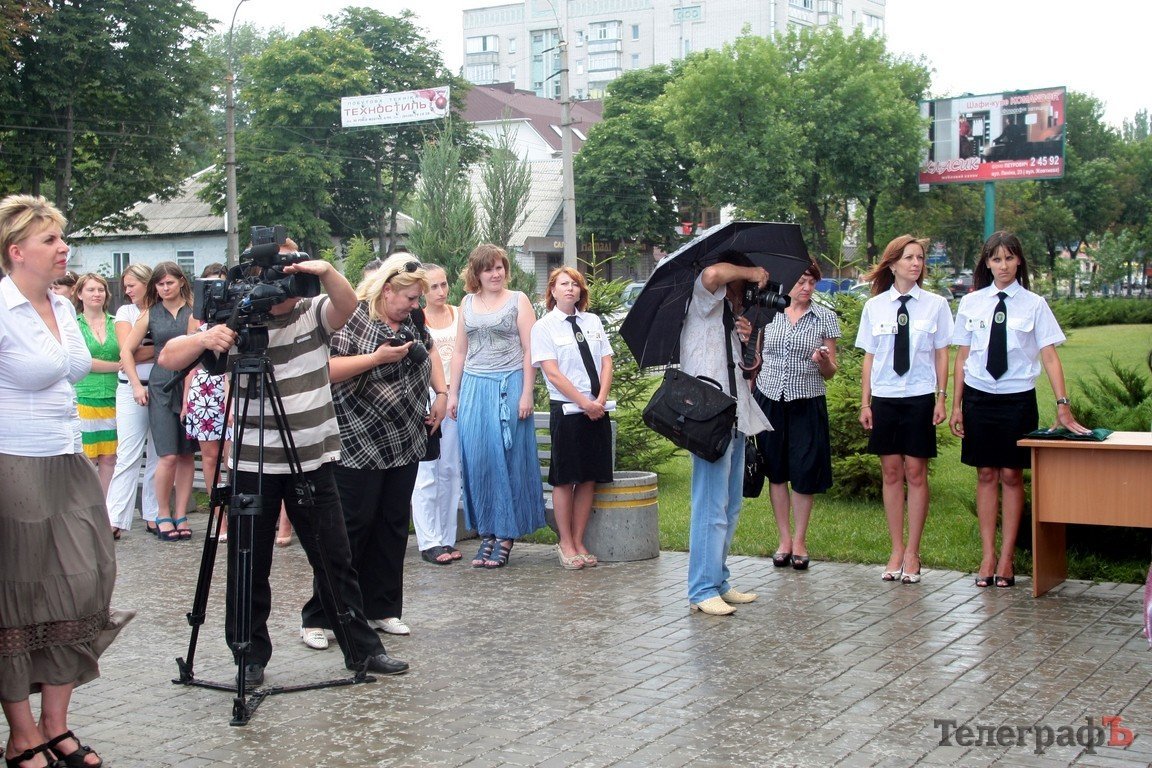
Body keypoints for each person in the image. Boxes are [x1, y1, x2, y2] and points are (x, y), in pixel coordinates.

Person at [158, 238, 408, 686]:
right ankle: (248, 655)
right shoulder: (237, 322)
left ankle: (363, 653)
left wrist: (324, 269)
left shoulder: (313, 313)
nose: (286, 279)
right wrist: (205, 336)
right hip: (253, 464)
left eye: (292, 269)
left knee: (335, 560)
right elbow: (168, 358)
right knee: (248, 562)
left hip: (312, 460)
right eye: (277, 270)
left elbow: (348, 305)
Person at [0, 193, 132, 768]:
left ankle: (57, 722)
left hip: (68, 459)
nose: (64, 247)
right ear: (16, 251)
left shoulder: (61, 304)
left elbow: (79, 368)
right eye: (51, 239)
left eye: (63, 237)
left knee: (85, 581)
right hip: (13, 464)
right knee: (19, 596)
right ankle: (22, 734)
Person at [299, 254, 446, 648]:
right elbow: (326, 368)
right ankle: (320, 616)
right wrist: (376, 359)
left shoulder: (413, 321)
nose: (416, 306)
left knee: (392, 526)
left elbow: (429, 351)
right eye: (411, 298)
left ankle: (382, 609)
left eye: (419, 299)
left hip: (405, 438)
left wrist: (442, 393)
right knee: (349, 529)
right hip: (357, 439)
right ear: (387, 290)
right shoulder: (354, 318)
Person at [949, 231, 1089, 589]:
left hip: (1016, 399)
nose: (1003, 265)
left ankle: (1008, 557)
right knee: (985, 475)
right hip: (979, 397)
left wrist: (1063, 406)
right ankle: (987, 555)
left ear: (1019, 261)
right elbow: (962, 358)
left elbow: (1050, 356)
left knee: (1011, 476)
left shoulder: (1034, 304)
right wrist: (956, 406)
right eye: (996, 259)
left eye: (1009, 258)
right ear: (987, 263)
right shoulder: (971, 303)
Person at [856, 235, 954, 584]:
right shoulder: (875, 307)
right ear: (892, 263)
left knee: (916, 473)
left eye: (921, 258)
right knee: (891, 473)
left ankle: (913, 551)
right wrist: (865, 402)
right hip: (884, 398)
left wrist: (941, 397)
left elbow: (942, 352)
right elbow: (869, 357)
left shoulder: (936, 305)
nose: (916, 263)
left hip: (918, 395)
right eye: (909, 257)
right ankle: (896, 548)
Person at [681, 256, 773, 616]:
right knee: (709, 505)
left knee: (730, 505)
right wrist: (754, 270)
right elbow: (712, 273)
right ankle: (701, 589)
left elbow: (740, 370)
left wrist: (744, 338)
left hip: (734, 416)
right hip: (709, 417)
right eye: (745, 285)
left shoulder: (728, 317)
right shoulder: (706, 300)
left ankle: (718, 580)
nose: (749, 291)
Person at [447, 244, 545, 568]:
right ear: (476, 273)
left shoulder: (519, 300)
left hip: (510, 383)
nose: (495, 273)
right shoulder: (466, 303)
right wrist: (454, 393)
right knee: (477, 459)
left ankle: (506, 534)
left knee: (509, 458)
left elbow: (531, 349)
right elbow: (460, 351)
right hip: (474, 386)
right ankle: (487, 530)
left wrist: (527, 393)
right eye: (488, 269)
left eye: (500, 267)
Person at [752, 259, 840, 572]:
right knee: (776, 470)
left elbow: (831, 372)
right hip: (770, 396)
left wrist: (822, 361)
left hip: (807, 400)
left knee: (803, 471)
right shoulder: (768, 311)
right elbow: (756, 359)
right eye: (802, 281)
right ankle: (784, 540)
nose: (806, 288)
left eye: (812, 283)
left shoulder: (824, 317)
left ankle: (801, 541)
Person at [530, 266, 613, 570]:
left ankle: (579, 540)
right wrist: (584, 402)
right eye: (564, 284)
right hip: (567, 410)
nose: (570, 289)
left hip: (597, 409)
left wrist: (599, 400)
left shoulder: (591, 321)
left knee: (589, 477)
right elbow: (552, 372)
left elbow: (606, 361)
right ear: (552, 290)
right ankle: (565, 542)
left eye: (575, 284)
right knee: (566, 479)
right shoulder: (544, 327)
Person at [121, 262, 196, 541]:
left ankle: (182, 514)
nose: (165, 288)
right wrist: (135, 386)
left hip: (189, 383)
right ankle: (161, 513)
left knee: (187, 454)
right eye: (160, 284)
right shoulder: (149, 313)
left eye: (169, 283)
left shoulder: (193, 311)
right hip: (161, 385)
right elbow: (127, 351)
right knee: (167, 454)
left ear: (181, 282)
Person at [411, 262, 464, 565]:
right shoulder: (417, 318)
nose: (441, 291)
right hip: (427, 396)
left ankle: (447, 536)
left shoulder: (459, 314)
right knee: (426, 470)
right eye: (434, 286)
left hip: (454, 395)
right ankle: (428, 540)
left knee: (450, 469)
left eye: (444, 284)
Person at [105, 263, 160, 536]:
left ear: (146, 282)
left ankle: (153, 513)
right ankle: (115, 518)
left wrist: (146, 350)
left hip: (161, 386)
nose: (127, 291)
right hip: (131, 388)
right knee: (128, 454)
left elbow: (139, 352)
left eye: (131, 285)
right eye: (124, 286)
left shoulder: (162, 308)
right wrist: (160, 349)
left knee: (158, 455)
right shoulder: (125, 311)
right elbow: (130, 353)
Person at [183, 263, 229, 541]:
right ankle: (219, 521)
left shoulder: (238, 312)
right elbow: (189, 361)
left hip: (232, 383)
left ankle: (239, 517)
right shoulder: (196, 317)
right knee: (210, 457)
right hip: (204, 389)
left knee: (232, 458)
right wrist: (187, 399)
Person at [72, 273, 120, 503]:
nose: (96, 294)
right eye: (91, 290)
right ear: (80, 294)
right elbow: (82, 362)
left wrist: (114, 366)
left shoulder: (116, 322)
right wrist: (118, 365)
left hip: (114, 396)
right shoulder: (73, 325)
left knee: (110, 456)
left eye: (100, 289)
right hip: (85, 396)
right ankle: (86, 505)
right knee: (88, 457)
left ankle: (105, 507)